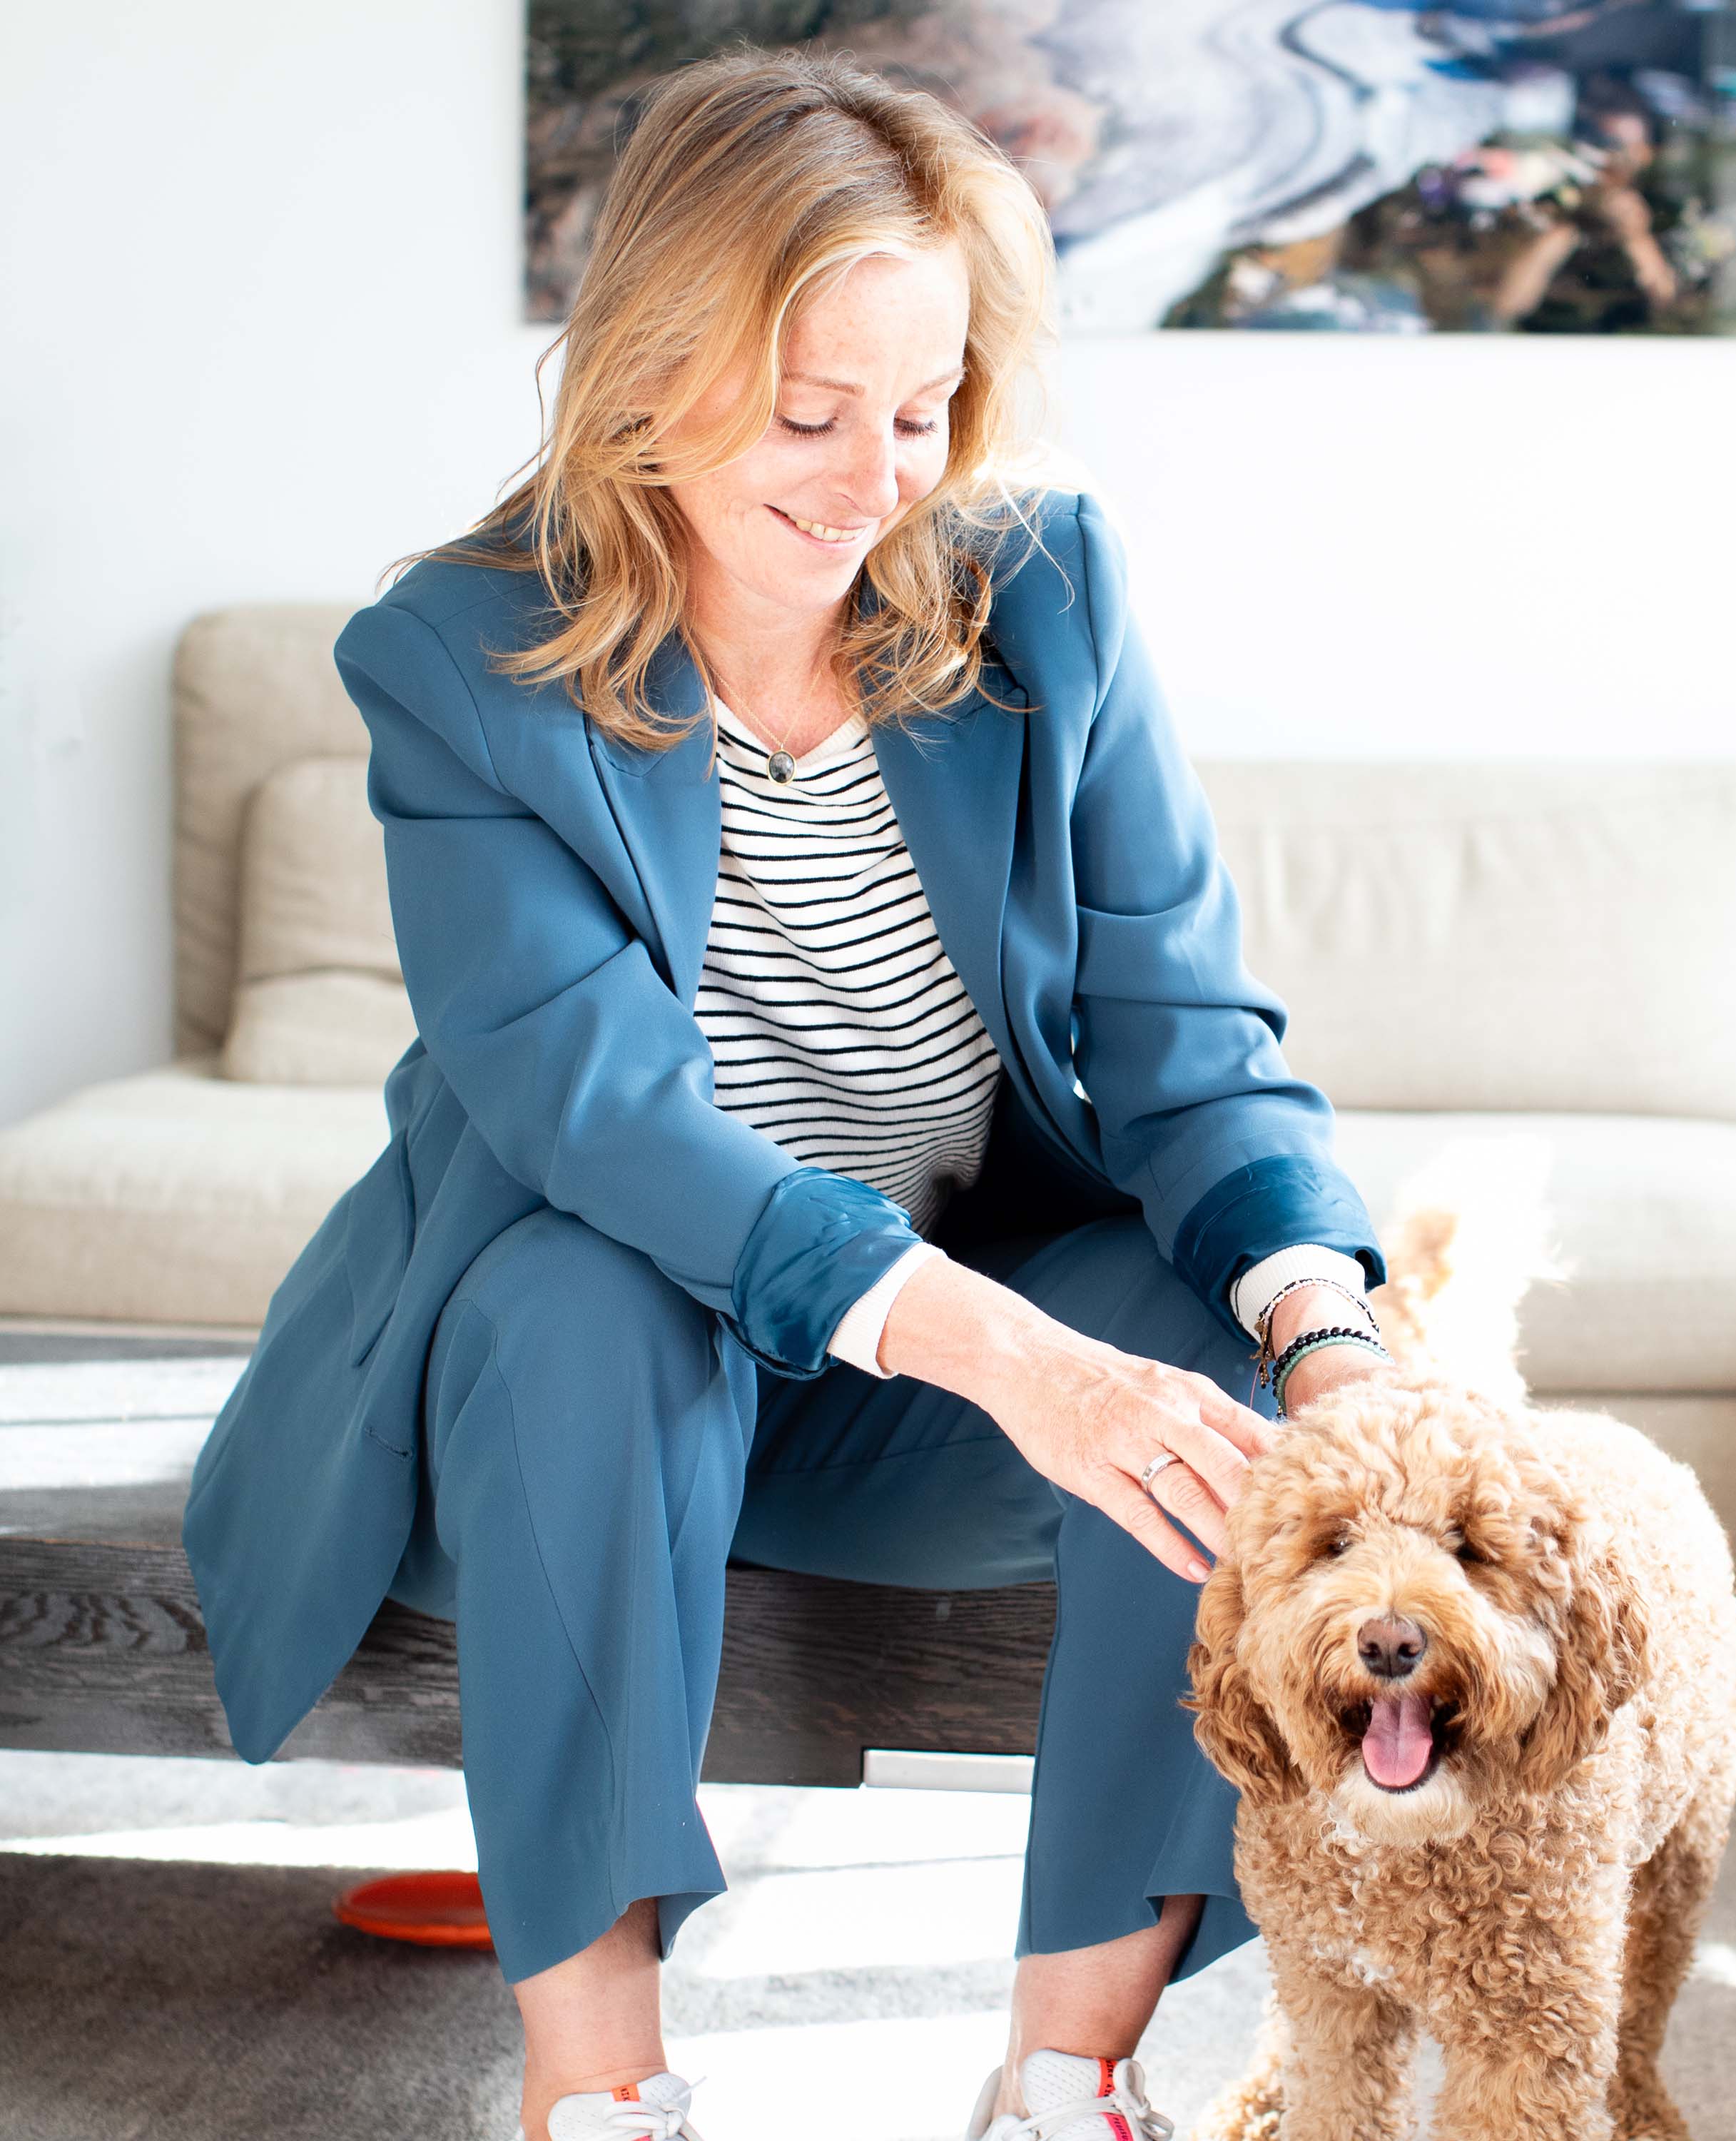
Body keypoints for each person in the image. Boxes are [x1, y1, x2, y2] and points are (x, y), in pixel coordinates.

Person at [183, 49, 1397, 2141]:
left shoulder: (1045, 596)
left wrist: (1336, 1331)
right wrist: (1017, 1358)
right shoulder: (460, 662)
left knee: (1208, 1348)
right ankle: (604, 2091)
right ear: (652, 373)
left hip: (911, 1389)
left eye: (920, 411)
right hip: (592, 1410)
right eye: (808, 411)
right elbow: (609, 1123)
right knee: (583, 1293)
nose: (872, 478)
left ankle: (1065, 2078)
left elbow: (1186, 1033)